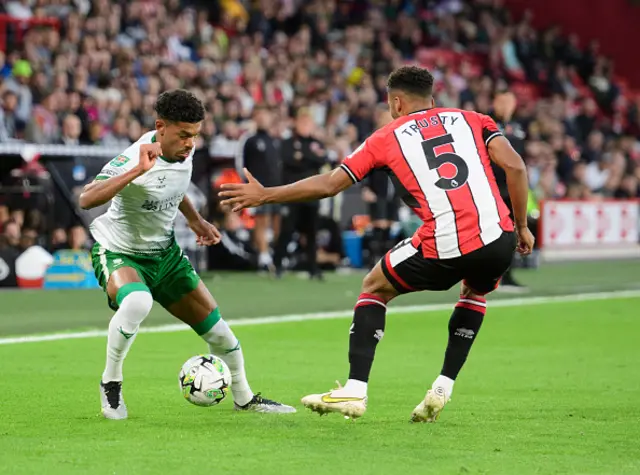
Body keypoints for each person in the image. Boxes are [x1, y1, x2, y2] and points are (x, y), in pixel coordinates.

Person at [220, 66, 534, 422]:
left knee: (374, 286)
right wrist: (521, 226)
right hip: (499, 238)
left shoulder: (386, 136)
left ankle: (355, 389)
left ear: (397, 102)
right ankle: (443, 386)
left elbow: (330, 184)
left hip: (446, 240)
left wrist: (265, 196)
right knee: (475, 292)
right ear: (431, 97)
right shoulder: (474, 119)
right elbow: (517, 167)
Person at [79, 89, 295, 420]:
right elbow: (86, 199)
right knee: (138, 302)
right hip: (119, 251)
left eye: (195, 135)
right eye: (183, 135)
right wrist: (136, 171)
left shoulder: (183, 152)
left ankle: (245, 398)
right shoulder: (134, 157)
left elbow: (174, 188)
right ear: (160, 127)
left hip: (165, 256)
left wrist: (196, 220)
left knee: (219, 332)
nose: (190, 143)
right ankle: (111, 382)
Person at [274, 108, 329, 279]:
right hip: (293, 193)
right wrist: (310, 157)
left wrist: (304, 156)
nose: (306, 126)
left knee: (312, 232)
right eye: (303, 122)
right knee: (287, 230)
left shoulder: (316, 142)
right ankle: (278, 265)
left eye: (308, 123)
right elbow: (289, 160)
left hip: (312, 194)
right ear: (296, 123)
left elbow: (324, 159)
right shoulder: (288, 142)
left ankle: (313, 268)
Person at [490, 91, 528, 291]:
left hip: (513, 187)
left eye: (510, 102)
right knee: (493, 233)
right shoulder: (486, 123)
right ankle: (489, 276)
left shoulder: (520, 126)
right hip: (493, 186)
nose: (506, 106)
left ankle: (507, 275)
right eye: (502, 101)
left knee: (512, 233)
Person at [236, 105, 280, 271]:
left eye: (265, 115)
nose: (262, 119)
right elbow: (240, 163)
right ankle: (263, 257)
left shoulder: (274, 140)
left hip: (277, 188)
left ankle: (270, 252)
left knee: (276, 222)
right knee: (260, 221)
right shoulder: (249, 140)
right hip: (257, 188)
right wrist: (247, 184)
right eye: (259, 115)